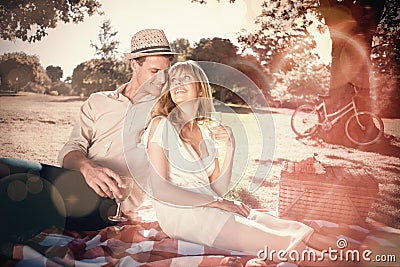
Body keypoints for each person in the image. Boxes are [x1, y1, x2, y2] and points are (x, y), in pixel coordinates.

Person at [140, 60, 337, 264]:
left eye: (186, 78)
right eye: (173, 80)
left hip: (211, 206)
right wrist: (219, 203)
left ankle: (360, 254)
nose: (178, 83)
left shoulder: (205, 131)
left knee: (290, 228)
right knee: (282, 243)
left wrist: (230, 147)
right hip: (182, 215)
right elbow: (161, 190)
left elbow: (217, 189)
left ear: (200, 88)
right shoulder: (161, 125)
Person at [0, 29, 176, 256]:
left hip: (111, 204)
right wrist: (88, 168)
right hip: (73, 180)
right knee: (4, 165)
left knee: (23, 191)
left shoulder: (166, 113)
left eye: (166, 72)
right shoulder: (99, 101)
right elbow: (72, 149)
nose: (162, 79)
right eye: (154, 71)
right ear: (134, 64)